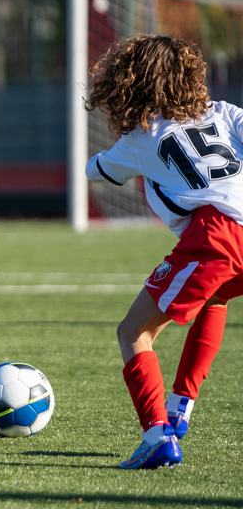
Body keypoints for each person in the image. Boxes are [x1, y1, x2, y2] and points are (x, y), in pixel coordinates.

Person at [85, 34, 240, 469]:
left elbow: (97, 171)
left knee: (133, 332)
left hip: (217, 236)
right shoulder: (225, 113)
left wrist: (99, 160)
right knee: (218, 297)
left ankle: (157, 435)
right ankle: (179, 408)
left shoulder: (142, 136)